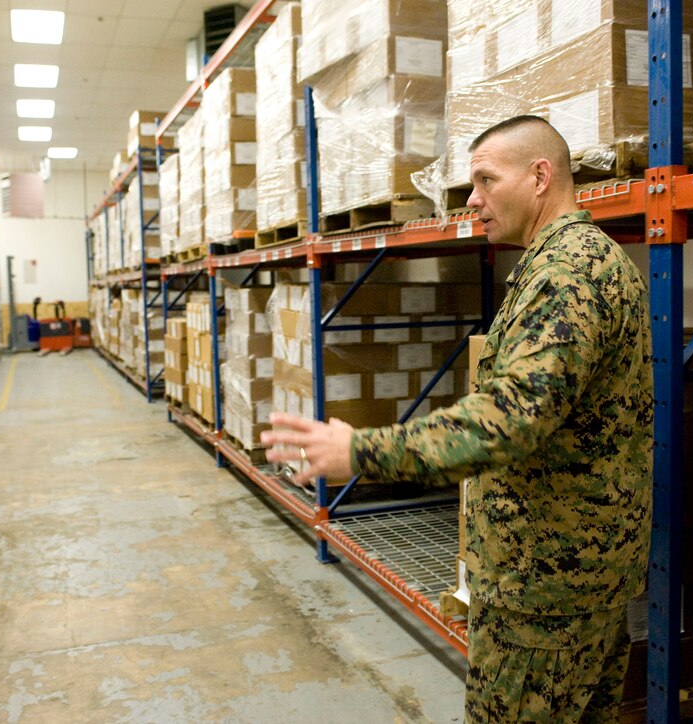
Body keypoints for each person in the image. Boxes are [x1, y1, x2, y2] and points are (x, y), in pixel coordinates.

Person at [261, 115, 653, 722]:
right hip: (583, 579)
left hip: (544, 595)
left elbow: (510, 416)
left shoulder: (566, 276)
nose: (472, 199)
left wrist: (365, 451)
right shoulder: (593, 260)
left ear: (540, 177)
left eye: (486, 180)